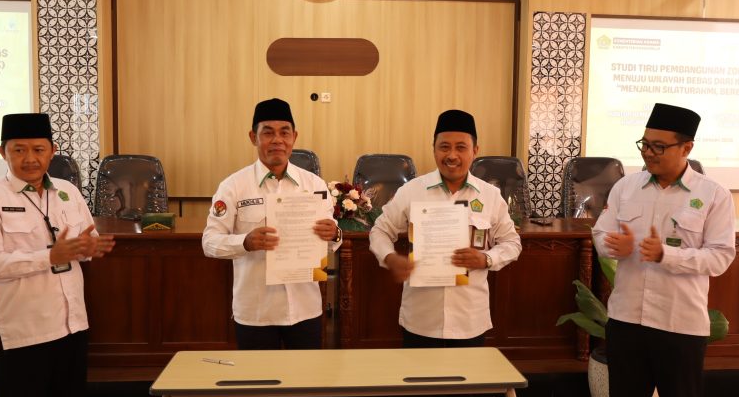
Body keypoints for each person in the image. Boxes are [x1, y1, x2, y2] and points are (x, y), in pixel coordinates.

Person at [593, 103, 736, 397]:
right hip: (626, 321)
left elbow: (720, 257)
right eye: (644, 144)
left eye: (658, 146)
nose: (648, 153)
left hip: (680, 324)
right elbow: (601, 233)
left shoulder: (714, 195)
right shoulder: (625, 187)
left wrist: (666, 255)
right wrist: (613, 246)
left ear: (687, 148)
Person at [0, 112, 115, 397]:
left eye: (38, 149)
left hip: (71, 327)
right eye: (19, 150)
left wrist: (88, 247)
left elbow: (84, 242)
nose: (30, 159)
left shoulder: (67, 192)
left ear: (52, 151)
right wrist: (48, 257)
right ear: (2, 152)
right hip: (22, 333)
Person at [369, 109, 522, 348]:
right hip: (420, 319)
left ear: (475, 151)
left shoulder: (490, 196)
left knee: (467, 374)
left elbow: (512, 243)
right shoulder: (411, 191)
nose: (452, 155)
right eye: (444, 147)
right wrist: (390, 258)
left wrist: (486, 259)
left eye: (461, 147)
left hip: (469, 320)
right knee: (418, 374)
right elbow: (380, 230)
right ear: (434, 149)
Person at [202, 98, 341, 350]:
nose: (277, 140)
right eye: (268, 133)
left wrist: (334, 234)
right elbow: (209, 242)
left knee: (307, 375)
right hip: (256, 311)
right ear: (253, 138)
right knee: (259, 376)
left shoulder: (314, 185)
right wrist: (245, 242)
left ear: (294, 137)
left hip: (305, 308)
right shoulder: (233, 186)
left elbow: (330, 242)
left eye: (284, 132)